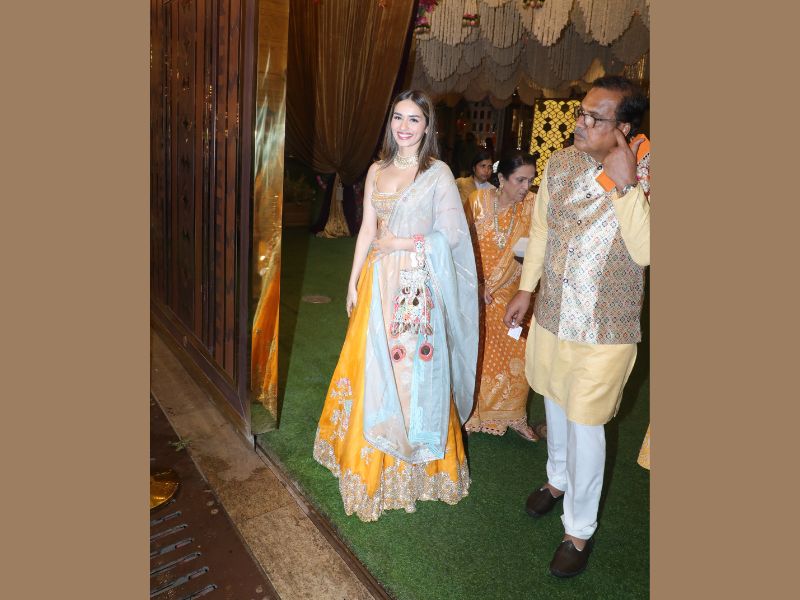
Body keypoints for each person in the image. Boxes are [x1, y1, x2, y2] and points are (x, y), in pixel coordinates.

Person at [503, 75, 650, 577]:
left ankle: (578, 530)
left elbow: (648, 250)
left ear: (623, 127)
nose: (580, 123)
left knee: (586, 424)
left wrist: (626, 184)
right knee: (554, 400)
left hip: (606, 327)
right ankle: (556, 479)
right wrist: (527, 288)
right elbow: (542, 230)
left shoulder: (649, 170)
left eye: (594, 117)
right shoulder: (561, 163)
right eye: (581, 112)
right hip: (553, 314)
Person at [313, 90, 479, 522]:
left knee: (411, 370)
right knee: (371, 365)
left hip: (415, 285)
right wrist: (352, 282)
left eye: (414, 119)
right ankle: (369, 456)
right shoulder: (376, 170)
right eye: (398, 118)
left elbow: (452, 236)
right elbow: (367, 230)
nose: (404, 127)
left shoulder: (437, 173)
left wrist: (401, 244)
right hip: (377, 282)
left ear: (427, 126)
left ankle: (417, 463)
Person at [465, 153, 539, 442]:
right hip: (475, 288)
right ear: (501, 179)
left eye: (530, 180)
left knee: (518, 351)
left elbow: (539, 250)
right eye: (520, 180)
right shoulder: (477, 202)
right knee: (474, 350)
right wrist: (476, 284)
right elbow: (461, 246)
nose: (526, 187)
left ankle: (514, 415)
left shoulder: (534, 206)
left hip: (515, 292)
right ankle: (471, 411)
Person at [455, 149, 494, 222]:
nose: (486, 170)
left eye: (490, 167)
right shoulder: (461, 183)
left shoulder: (493, 190)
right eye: (483, 166)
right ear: (474, 168)